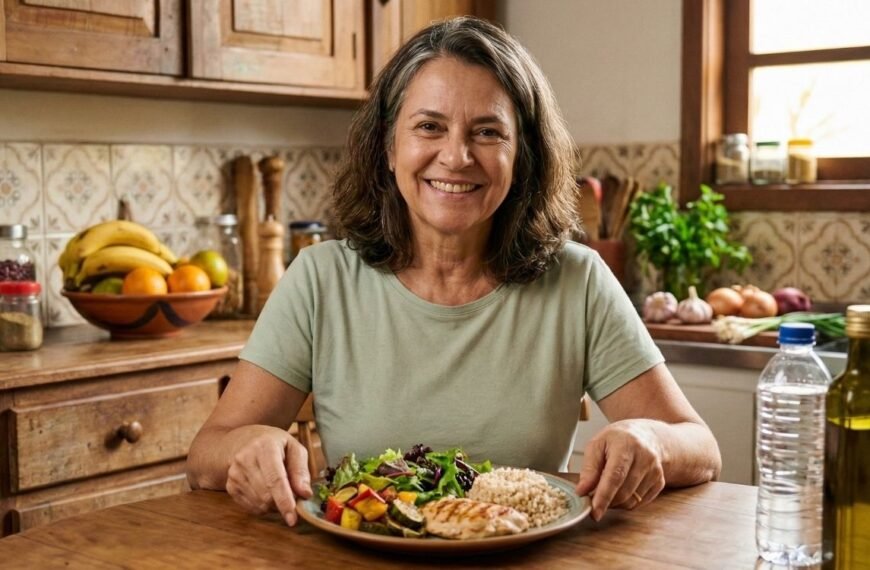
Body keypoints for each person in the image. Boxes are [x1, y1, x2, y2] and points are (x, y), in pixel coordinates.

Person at [186, 16, 721, 527]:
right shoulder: (319, 280)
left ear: (523, 156)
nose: (457, 156)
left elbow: (700, 447)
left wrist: (653, 440)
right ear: (388, 149)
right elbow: (207, 453)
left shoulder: (578, 282)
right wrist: (247, 449)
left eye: (487, 132)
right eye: (428, 126)